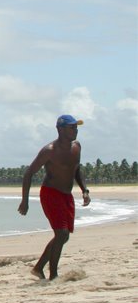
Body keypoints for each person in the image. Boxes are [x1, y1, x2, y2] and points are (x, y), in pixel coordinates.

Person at [18, 114, 91, 280]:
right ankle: (54, 275)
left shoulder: (76, 146)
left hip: (66, 195)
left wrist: (85, 190)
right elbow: (28, 174)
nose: (75, 130)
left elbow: (76, 169)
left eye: (76, 127)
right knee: (61, 234)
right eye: (71, 127)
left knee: (64, 236)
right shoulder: (49, 151)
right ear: (60, 129)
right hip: (51, 193)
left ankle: (38, 268)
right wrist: (25, 201)